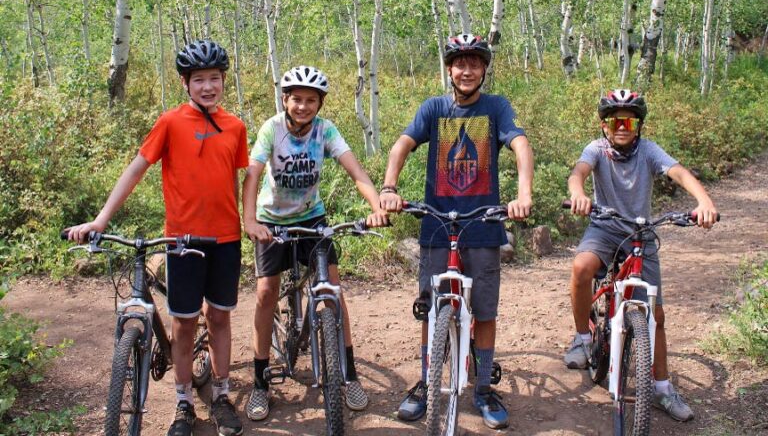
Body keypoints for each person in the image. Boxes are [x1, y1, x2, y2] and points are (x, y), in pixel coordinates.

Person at [66, 39, 247, 436]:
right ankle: (183, 403)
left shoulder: (235, 126)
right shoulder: (169, 122)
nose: (208, 87)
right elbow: (136, 170)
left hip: (226, 240)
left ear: (222, 82)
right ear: (186, 83)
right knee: (183, 325)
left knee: (219, 318)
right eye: (199, 79)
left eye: (214, 79)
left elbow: (239, 180)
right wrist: (100, 219)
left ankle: (220, 394)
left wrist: (250, 221)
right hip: (181, 242)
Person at [379, 34, 534, 430]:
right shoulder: (433, 109)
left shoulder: (495, 108)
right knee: (433, 310)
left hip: (483, 226)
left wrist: (523, 194)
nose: (467, 70)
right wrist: (389, 188)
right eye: (459, 63)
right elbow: (402, 144)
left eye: (475, 63)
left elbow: (519, 144)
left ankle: (482, 388)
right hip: (436, 224)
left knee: (484, 312)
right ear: (449, 69)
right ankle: (428, 384)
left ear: (484, 69)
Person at [242, 65, 389, 422]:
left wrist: (376, 206)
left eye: (311, 101)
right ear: (285, 100)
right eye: (297, 100)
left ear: (319, 104)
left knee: (334, 292)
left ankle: (350, 375)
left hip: (312, 219)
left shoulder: (326, 130)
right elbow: (253, 174)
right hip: (271, 220)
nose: (303, 107)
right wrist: (249, 220)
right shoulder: (272, 129)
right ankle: (261, 382)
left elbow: (356, 172)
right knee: (265, 293)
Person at [563, 88, 718, 422]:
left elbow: (679, 173)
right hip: (605, 228)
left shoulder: (648, 151)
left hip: (641, 233)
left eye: (629, 121)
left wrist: (704, 202)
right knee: (581, 267)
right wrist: (578, 194)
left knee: (656, 315)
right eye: (615, 120)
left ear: (639, 125)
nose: (622, 126)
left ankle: (662, 389)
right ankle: (581, 338)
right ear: (604, 125)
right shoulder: (597, 149)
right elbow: (578, 172)